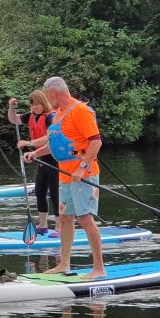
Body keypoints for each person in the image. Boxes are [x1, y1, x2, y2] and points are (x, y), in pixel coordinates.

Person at [24, 76, 105, 279]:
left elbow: (96, 143)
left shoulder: (80, 111)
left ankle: (99, 268)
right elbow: (55, 144)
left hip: (83, 174)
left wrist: (82, 167)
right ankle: (64, 264)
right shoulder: (59, 113)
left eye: (47, 95)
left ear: (53, 92)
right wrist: (36, 153)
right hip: (65, 175)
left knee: (85, 219)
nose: (46, 99)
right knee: (66, 218)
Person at [8, 90, 60, 236]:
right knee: (40, 191)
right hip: (42, 158)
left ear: (43, 103)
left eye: (37, 104)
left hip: (55, 158)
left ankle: (59, 227)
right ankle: (43, 225)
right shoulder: (31, 116)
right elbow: (14, 120)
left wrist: (29, 143)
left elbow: (49, 138)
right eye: (32, 104)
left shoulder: (51, 117)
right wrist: (11, 108)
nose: (34, 107)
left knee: (55, 194)